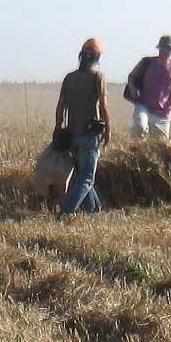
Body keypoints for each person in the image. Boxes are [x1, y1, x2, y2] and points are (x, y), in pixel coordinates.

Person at [55, 38, 111, 214]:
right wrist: (108, 128)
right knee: (86, 179)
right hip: (89, 135)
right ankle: (66, 212)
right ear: (97, 57)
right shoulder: (98, 77)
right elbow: (103, 106)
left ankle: (95, 210)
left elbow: (60, 107)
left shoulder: (69, 78)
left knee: (84, 177)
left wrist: (58, 128)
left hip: (72, 135)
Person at [126, 35, 171, 139]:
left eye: (169, 49)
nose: (166, 52)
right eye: (163, 49)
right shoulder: (147, 62)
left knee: (160, 145)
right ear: (159, 48)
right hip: (143, 106)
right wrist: (133, 89)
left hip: (163, 113)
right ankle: (134, 151)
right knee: (140, 128)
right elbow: (131, 77)